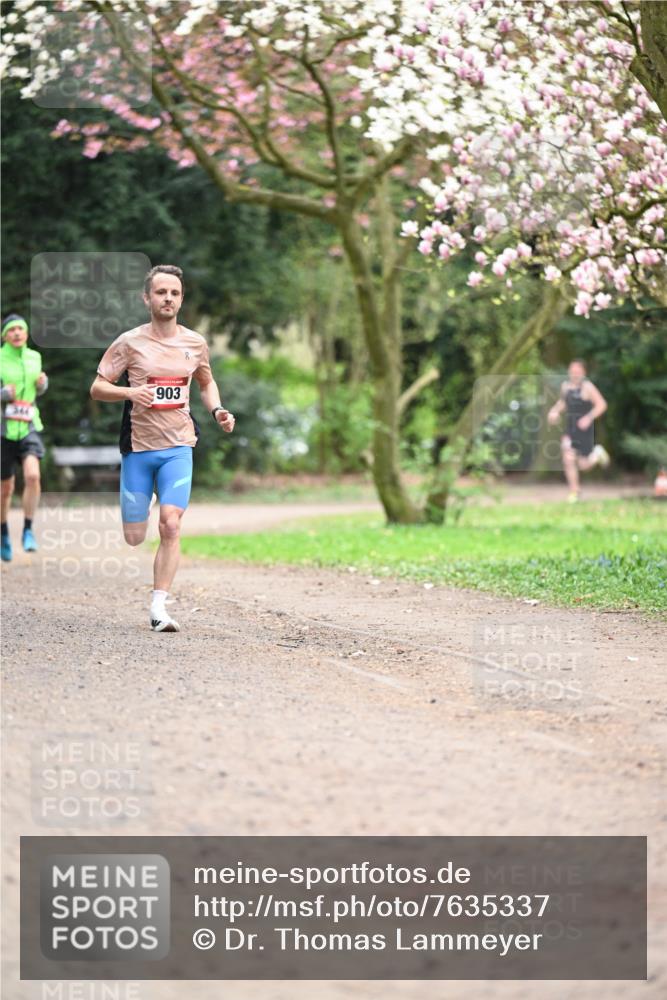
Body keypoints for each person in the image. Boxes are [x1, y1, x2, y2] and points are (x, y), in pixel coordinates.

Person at [90, 265, 235, 632]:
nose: (167, 298)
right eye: (160, 292)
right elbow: (97, 387)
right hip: (139, 448)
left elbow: (206, 382)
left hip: (178, 446)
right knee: (135, 536)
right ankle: (142, 500)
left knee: (171, 525)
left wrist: (217, 409)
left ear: (181, 299)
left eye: (174, 293)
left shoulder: (195, 344)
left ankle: (159, 608)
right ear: (147, 298)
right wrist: (130, 392)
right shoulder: (129, 342)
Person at [1, 313, 49, 561]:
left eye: (21, 329)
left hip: (29, 424)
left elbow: (37, 389)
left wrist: (43, 384)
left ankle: (28, 530)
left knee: (32, 476)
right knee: (5, 488)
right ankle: (3, 533)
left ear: (27, 333)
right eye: (12, 330)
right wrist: (2, 394)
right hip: (4, 429)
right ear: (4, 336)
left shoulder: (34, 357)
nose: (17, 333)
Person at [547, 359, 610, 502]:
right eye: (572, 371)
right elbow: (563, 402)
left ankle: (597, 452)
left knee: (584, 465)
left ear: (583, 373)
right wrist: (555, 411)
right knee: (568, 459)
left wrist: (589, 418)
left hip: (585, 430)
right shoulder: (565, 387)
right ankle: (574, 492)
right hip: (570, 430)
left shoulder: (588, 387)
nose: (574, 374)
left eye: (578, 372)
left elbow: (602, 404)